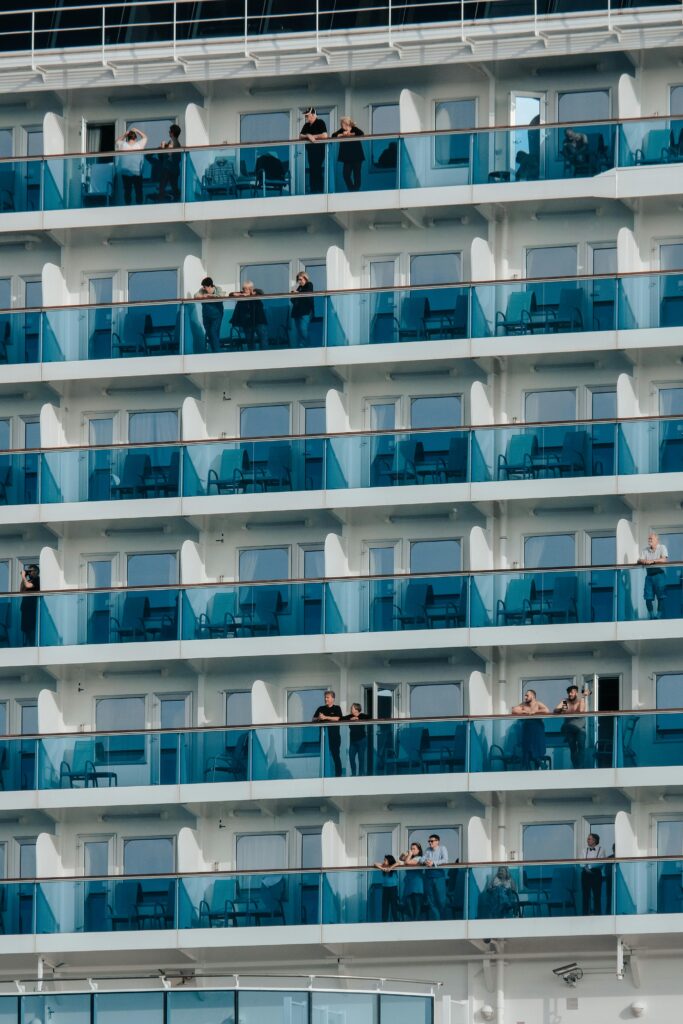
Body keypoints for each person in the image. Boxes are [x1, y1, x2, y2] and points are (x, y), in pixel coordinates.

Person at [511, 689, 550, 769]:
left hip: (537, 731)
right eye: (525, 695)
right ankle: (532, 769)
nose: (525, 697)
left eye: (527, 695)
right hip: (527, 731)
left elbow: (547, 710)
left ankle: (538, 766)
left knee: (536, 751)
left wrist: (534, 712)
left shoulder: (538, 704)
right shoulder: (523, 705)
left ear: (533, 696)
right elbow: (514, 710)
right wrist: (524, 712)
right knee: (527, 751)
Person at [554, 684, 588, 769]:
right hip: (569, 728)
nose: (570, 694)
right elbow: (555, 710)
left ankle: (580, 767)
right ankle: (576, 767)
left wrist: (581, 697)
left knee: (581, 746)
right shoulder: (565, 702)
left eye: (572, 692)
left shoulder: (580, 700)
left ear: (576, 693)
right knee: (573, 749)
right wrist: (561, 710)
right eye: (569, 692)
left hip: (580, 728)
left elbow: (580, 711)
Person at [637, 530, 668, 619]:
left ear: (656, 539)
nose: (649, 540)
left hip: (659, 575)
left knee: (661, 597)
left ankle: (658, 616)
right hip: (649, 576)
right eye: (648, 539)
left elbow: (664, 560)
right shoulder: (645, 550)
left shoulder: (662, 547)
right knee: (648, 597)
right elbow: (639, 560)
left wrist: (653, 561)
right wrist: (644, 561)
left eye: (651, 538)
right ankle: (651, 615)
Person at [228, 280, 268, 348]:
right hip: (247, 321)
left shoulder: (256, 293)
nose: (245, 290)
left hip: (259, 320)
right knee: (250, 340)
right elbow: (231, 294)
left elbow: (261, 292)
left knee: (263, 338)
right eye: (244, 288)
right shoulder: (242, 294)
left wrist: (251, 293)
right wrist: (240, 295)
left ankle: (265, 355)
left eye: (247, 288)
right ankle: (252, 356)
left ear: (251, 288)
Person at [313, 689, 343, 777]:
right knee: (324, 756)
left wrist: (325, 717)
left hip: (334, 737)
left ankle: (338, 775)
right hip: (324, 737)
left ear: (333, 699)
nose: (326, 699)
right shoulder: (321, 708)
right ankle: (324, 775)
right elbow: (313, 719)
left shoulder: (337, 708)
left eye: (328, 697)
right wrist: (319, 717)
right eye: (325, 697)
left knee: (336, 755)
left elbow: (338, 718)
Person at [115, 126, 148, 204]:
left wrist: (125, 134)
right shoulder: (139, 145)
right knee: (139, 191)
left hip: (126, 172)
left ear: (127, 138)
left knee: (127, 191)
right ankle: (139, 208)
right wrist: (137, 130)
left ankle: (128, 207)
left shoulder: (123, 145)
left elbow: (117, 140)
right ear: (135, 138)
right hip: (137, 172)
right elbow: (145, 137)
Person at [331, 116, 365, 191]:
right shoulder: (341, 130)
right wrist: (343, 134)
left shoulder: (354, 129)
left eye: (343, 123)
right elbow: (333, 136)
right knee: (346, 174)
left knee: (357, 175)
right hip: (347, 158)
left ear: (347, 123)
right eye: (341, 124)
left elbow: (361, 134)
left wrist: (350, 134)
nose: (342, 125)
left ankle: (356, 190)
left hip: (357, 156)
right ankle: (352, 189)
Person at [420, 833, 449, 920]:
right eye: (429, 841)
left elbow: (445, 860)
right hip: (428, 877)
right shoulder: (428, 850)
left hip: (439, 877)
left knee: (441, 899)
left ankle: (443, 920)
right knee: (431, 900)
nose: (430, 843)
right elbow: (422, 859)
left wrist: (433, 863)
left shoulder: (442, 848)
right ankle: (436, 919)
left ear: (437, 841)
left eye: (432, 841)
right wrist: (426, 862)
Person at [300, 108, 328, 194]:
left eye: (307, 115)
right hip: (310, 151)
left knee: (317, 169)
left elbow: (325, 135)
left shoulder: (320, 122)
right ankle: (313, 190)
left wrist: (313, 137)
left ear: (312, 115)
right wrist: (308, 135)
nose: (306, 117)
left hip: (319, 151)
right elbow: (300, 136)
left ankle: (319, 190)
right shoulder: (306, 125)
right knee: (312, 169)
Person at [194, 276, 226, 351]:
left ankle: (217, 352)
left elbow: (221, 296)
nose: (203, 288)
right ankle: (214, 350)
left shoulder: (218, 289)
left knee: (213, 332)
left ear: (209, 286)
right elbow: (196, 296)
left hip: (217, 316)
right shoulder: (202, 290)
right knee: (209, 334)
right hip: (206, 316)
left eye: (205, 287)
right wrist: (203, 296)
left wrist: (210, 296)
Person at [397, 843, 424, 920]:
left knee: (416, 902)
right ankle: (412, 919)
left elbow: (407, 863)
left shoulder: (419, 858)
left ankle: (416, 920)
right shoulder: (410, 857)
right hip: (409, 882)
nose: (412, 850)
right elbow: (401, 859)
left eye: (414, 849)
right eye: (411, 848)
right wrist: (404, 854)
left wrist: (409, 855)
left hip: (416, 882)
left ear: (418, 850)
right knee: (408, 902)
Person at [342, 702, 370, 776]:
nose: (351, 709)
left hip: (362, 740)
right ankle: (354, 773)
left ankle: (361, 774)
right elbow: (342, 719)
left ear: (357, 709)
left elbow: (369, 718)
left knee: (361, 759)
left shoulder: (363, 716)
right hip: (353, 741)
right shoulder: (350, 716)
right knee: (351, 758)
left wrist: (358, 719)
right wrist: (351, 719)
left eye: (352, 708)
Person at [581, 832, 606, 915]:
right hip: (585, 874)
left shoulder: (601, 850)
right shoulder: (584, 850)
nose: (587, 840)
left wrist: (590, 866)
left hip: (596, 874)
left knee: (597, 894)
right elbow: (581, 863)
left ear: (594, 840)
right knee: (585, 895)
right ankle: (585, 913)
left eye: (589, 839)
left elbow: (601, 862)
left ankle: (597, 913)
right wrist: (586, 868)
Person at [157, 123, 182, 201]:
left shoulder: (172, 142)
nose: (168, 132)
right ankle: (177, 201)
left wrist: (163, 147)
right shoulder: (178, 143)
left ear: (172, 133)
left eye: (170, 131)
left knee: (162, 187)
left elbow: (169, 154)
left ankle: (161, 203)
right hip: (174, 169)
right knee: (174, 187)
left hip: (168, 169)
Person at [289, 271, 315, 347]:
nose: (299, 281)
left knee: (303, 329)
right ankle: (302, 346)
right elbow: (293, 300)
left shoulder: (309, 284)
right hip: (297, 312)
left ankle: (307, 345)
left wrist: (297, 293)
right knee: (299, 331)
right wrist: (294, 295)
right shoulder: (299, 288)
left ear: (305, 278)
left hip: (305, 312)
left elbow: (308, 293)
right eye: (298, 280)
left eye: (300, 279)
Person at [374, 854, 400, 922]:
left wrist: (390, 868)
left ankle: (396, 921)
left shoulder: (393, 867)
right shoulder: (384, 865)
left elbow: (398, 863)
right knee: (385, 906)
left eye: (385, 860)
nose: (384, 861)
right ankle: (384, 922)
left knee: (394, 906)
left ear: (389, 861)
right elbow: (375, 864)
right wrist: (383, 868)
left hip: (393, 888)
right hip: (385, 888)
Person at [20, 563, 40, 646]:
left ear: (36, 571)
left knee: (31, 628)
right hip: (26, 608)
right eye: (29, 571)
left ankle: (32, 645)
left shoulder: (36, 579)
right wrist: (23, 578)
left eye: (31, 571)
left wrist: (24, 576)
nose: (30, 573)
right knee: (26, 629)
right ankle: (28, 644)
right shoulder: (28, 580)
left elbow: (28, 586)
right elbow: (21, 590)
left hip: (31, 608)